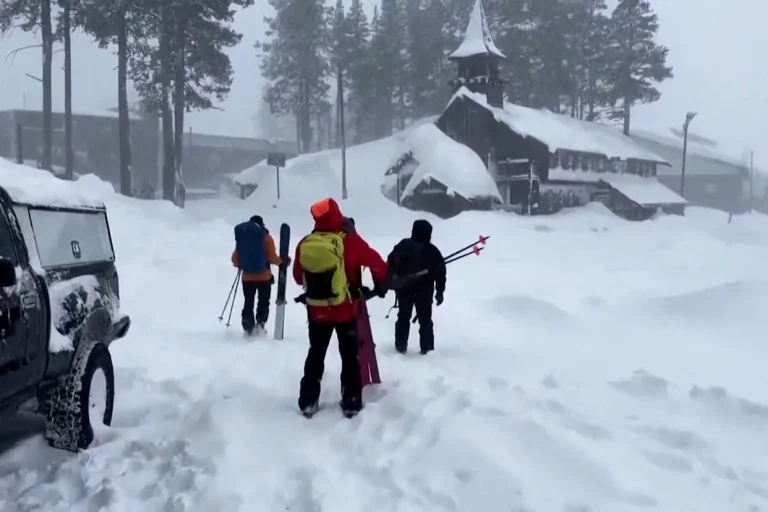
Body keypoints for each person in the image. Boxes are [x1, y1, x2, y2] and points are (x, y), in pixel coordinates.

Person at [293, 198, 388, 418]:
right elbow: (378, 263)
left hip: (316, 311)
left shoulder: (306, 242)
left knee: (316, 353)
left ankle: (308, 400)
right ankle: (352, 401)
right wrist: (380, 283)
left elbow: (299, 278)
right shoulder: (350, 241)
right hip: (346, 310)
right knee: (349, 355)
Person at [387, 219, 446, 355]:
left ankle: (400, 346)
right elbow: (440, 272)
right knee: (425, 320)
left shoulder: (403, 246)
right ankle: (427, 349)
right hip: (424, 292)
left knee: (403, 318)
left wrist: (394, 280)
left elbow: (391, 263)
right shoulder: (432, 251)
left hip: (404, 290)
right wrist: (439, 291)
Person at [231, 215, 289, 335]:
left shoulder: (243, 238)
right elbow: (272, 257)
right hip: (264, 277)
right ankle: (260, 323)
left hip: (247, 277)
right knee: (263, 300)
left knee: (248, 300)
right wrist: (282, 262)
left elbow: (235, 258)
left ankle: (247, 323)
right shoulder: (266, 238)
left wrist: (241, 264)